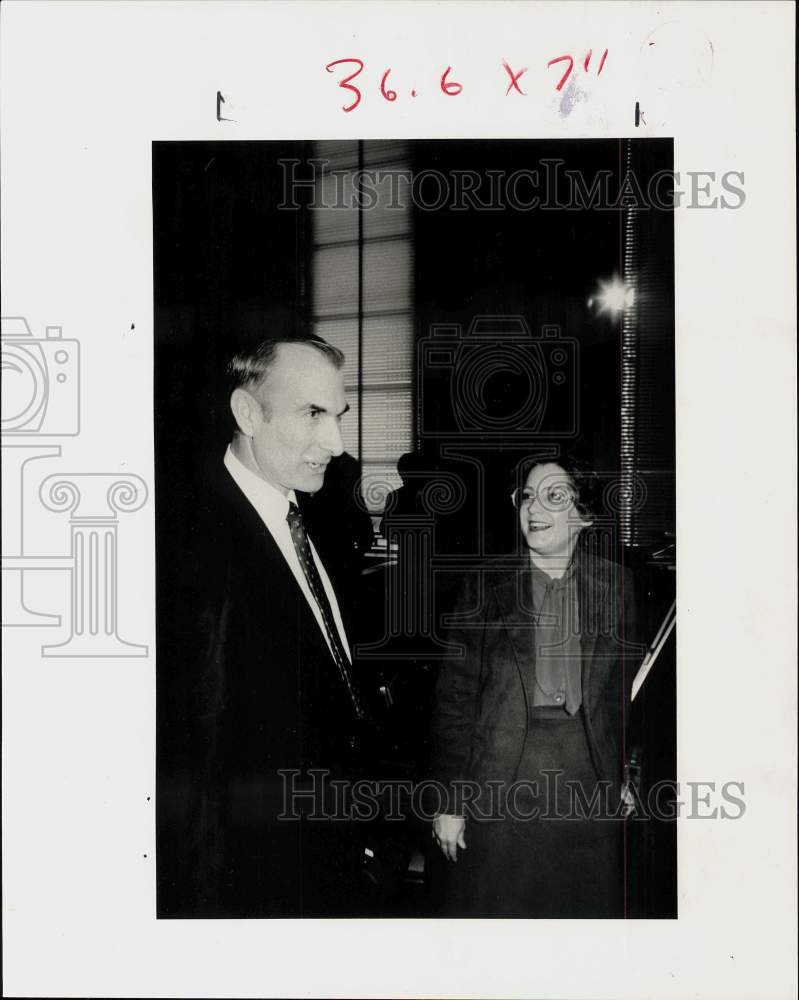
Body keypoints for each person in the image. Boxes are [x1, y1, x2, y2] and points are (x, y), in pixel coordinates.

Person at [174, 333, 374, 917]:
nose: (335, 443)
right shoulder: (189, 544)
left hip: (326, 846)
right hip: (255, 877)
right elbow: (199, 755)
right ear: (246, 412)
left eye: (337, 416)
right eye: (312, 414)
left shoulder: (316, 517)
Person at [430, 454, 641, 917]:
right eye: (527, 496)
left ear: (583, 515)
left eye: (553, 496)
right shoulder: (484, 586)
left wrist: (626, 770)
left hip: (588, 785)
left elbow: (621, 695)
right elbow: (456, 699)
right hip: (502, 785)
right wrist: (450, 799)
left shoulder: (617, 585)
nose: (534, 508)